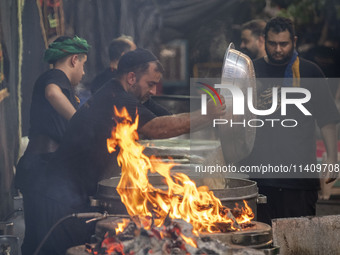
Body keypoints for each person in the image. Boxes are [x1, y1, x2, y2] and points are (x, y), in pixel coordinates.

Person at [21, 48, 226, 255]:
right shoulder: (114, 97)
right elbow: (157, 128)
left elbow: (171, 119)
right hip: (58, 198)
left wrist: (214, 116)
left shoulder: (126, 94)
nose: (153, 91)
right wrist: (208, 114)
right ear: (131, 78)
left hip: (73, 196)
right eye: (151, 84)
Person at [239, 17, 340, 225]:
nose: (278, 49)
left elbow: (327, 120)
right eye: (272, 43)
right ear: (263, 40)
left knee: (297, 243)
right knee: (262, 240)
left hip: (300, 181)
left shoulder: (310, 72)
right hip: (260, 180)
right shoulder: (250, 72)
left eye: (283, 44)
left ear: (293, 41)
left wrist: (332, 158)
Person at [15, 35, 90, 254]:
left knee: (41, 239)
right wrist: (80, 123)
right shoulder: (55, 77)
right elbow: (52, 93)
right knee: (45, 242)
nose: (84, 72)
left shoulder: (60, 83)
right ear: (74, 59)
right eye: (84, 65)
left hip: (43, 169)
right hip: (43, 169)